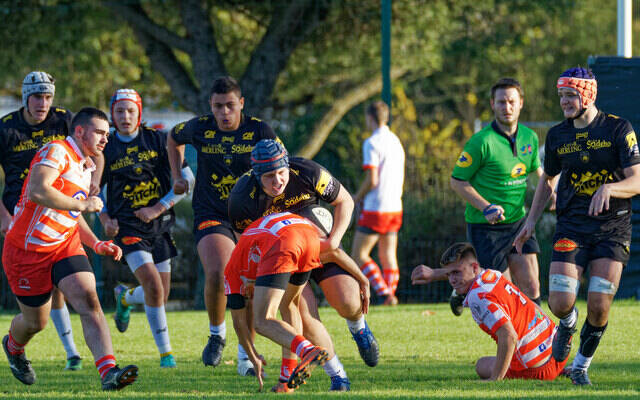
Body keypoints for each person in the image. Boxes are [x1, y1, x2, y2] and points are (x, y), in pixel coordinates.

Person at [514, 67, 640, 385]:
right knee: (559, 302)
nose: (564, 102)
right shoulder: (558, 135)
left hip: (613, 228)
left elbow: (637, 180)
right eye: (561, 96)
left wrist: (610, 188)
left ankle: (580, 366)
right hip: (572, 225)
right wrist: (530, 222)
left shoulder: (618, 129)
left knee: (599, 304)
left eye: (570, 95)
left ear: (588, 94)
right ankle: (568, 324)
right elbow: (548, 181)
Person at [1, 107, 138, 390]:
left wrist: (96, 242)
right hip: (27, 252)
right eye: (100, 132)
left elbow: (71, 217)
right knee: (36, 322)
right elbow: (39, 190)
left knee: (90, 301)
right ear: (79, 131)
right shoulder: (56, 151)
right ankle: (13, 347)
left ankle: (109, 372)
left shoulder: (85, 166)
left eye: (107, 134)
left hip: (64, 245)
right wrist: (83, 204)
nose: (105, 139)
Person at [229, 139, 380, 368]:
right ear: (256, 175)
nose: (277, 181)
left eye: (281, 172)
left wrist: (334, 240)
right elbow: (247, 245)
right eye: (269, 176)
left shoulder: (307, 171)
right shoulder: (242, 198)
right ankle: (337, 374)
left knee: (348, 300)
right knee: (303, 317)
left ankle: (359, 327)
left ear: (288, 165)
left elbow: (345, 201)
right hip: (283, 258)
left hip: (318, 245)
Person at [167, 76, 277, 373]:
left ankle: (246, 357)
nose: (224, 113)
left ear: (241, 103)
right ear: (210, 107)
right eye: (218, 107)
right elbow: (173, 139)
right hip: (211, 212)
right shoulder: (199, 126)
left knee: (248, 283)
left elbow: (281, 165)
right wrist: (178, 175)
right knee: (219, 272)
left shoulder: (259, 130)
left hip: (250, 216)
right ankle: (217, 335)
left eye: (230, 105)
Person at [96, 89, 194, 368]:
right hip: (129, 227)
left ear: (139, 113)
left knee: (160, 294)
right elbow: (93, 191)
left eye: (130, 111)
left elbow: (187, 179)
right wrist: (105, 219)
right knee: (152, 285)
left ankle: (125, 298)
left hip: (160, 225)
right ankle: (167, 355)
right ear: (112, 115)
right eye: (119, 111)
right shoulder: (107, 148)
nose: (125, 116)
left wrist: (157, 208)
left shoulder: (159, 140)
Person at [225, 206, 368, 392]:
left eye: (249, 292)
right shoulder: (249, 251)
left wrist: (252, 358)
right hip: (306, 234)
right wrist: (363, 280)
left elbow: (239, 323)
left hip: (283, 240)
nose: (251, 295)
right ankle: (286, 380)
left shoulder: (231, 273)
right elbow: (334, 252)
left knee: (262, 320)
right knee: (290, 304)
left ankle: (308, 350)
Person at [0, 71, 83, 371]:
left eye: (48, 96)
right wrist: (4, 216)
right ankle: (21, 346)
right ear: (25, 98)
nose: (43, 103)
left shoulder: (63, 120)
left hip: (59, 213)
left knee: (70, 285)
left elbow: (90, 146)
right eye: (37, 96)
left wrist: (92, 183)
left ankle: (73, 352)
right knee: (39, 311)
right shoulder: (7, 128)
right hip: (21, 221)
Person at [449, 77, 544, 315]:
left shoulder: (530, 138)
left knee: (532, 285)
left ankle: (540, 342)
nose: (507, 107)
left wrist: (551, 195)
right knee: (504, 291)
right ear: (492, 104)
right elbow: (457, 180)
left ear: (521, 103)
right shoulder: (481, 142)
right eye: (501, 102)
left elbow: (540, 174)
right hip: (486, 227)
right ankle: (464, 289)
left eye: (512, 101)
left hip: (519, 221)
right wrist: (485, 207)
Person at [413, 242, 567, 381]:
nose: (452, 280)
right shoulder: (492, 275)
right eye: (449, 274)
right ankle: (563, 370)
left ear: (474, 268)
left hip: (539, 370)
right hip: (559, 353)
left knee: (481, 365)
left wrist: (495, 379)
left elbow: (509, 336)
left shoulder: (478, 297)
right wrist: (434, 274)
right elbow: (462, 268)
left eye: (456, 273)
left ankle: (507, 373)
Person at [351, 101, 405, 306]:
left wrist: (357, 196)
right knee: (388, 254)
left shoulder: (372, 142)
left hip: (376, 206)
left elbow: (372, 179)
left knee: (359, 254)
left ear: (370, 118)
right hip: (395, 204)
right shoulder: (395, 141)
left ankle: (384, 293)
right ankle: (390, 294)